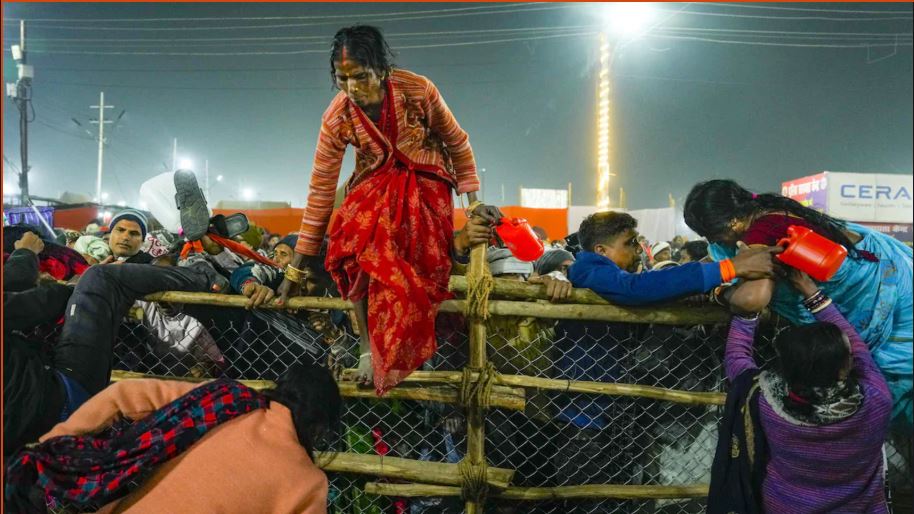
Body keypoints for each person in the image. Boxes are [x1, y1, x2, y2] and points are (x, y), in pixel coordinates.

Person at [278, 25, 500, 394]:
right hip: (374, 188)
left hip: (427, 183)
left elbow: (457, 143)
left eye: (360, 77)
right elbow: (319, 190)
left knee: (405, 246)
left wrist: (473, 202)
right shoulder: (337, 116)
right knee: (349, 243)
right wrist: (294, 269)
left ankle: (406, 344)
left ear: (381, 70)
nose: (351, 88)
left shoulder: (418, 90)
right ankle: (368, 347)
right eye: (342, 79)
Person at [684, 179, 912, 430]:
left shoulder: (760, 233)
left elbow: (753, 299)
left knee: (866, 407)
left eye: (712, 235)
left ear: (732, 223)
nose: (715, 244)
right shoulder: (772, 211)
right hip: (893, 279)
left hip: (885, 306)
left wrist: (719, 292)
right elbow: (716, 259)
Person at [3, 232, 227, 456]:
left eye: (133, 233)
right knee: (100, 278)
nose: (125, 237)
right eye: (120, 230)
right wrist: (69, 287)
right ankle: (207, 278)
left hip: (24, 416)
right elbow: (24, 290)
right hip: (54, 401)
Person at [6, 364, 339, 514]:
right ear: (320, 427)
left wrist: (55, 440)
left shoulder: (226, 397)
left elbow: (124, 393)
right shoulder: (306, 482)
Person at [710, 269, 891, 513]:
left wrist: (748, 308)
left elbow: (736, 359)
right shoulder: (876, 399)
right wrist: (811, 292)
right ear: (842, 370)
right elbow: (859, 349)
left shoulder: (767, 404)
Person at [568, 211, 780, 306]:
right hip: (594, 390)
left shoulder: (604, 271)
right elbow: (635, 288)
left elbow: (654, 279)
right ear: (601, 250)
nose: (639, 250)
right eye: (630, 243)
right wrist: (728, 268)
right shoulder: (587, 269)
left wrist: (681, 292)